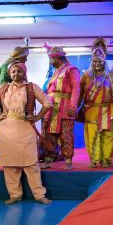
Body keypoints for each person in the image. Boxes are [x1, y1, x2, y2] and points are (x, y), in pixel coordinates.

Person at [0, 62, 52, 205]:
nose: (16, 74)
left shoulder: (32, 87)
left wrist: (37, 117)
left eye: (19, 71)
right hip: (7, 129)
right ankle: (15, 194)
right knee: (10, 164)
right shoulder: (4, 88)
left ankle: (39, 195)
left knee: (31, 163)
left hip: (25, 128)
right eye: (13, 71)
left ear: (24, 73)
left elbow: (48, 103)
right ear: (10, 74)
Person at [40, 42, 81, 170]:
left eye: (52, 59)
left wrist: (73, 107)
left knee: (66, 134)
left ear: (57, 58)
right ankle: (48, 158)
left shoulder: (71, 69)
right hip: (51, 109)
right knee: (49, 134)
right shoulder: (56, 72)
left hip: (65, 108)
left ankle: (68, 160)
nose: (51, 61)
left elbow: (76, 89)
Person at [79, 38, 113, 168]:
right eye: (94, 61)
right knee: (92, 136)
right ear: (91, 61)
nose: (97, 64)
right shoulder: (86, 76)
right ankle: (94, 160)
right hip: (91, 110)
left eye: (99, 61)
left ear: (104, 61)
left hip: (109, 110)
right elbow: (80, 94)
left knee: (108, 136)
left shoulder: (112, 75)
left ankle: (106, 160)